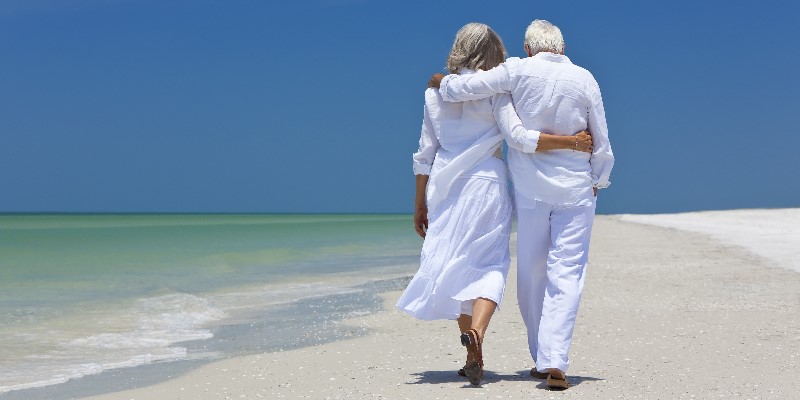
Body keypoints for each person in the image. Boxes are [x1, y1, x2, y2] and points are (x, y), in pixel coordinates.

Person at [396, 22, 594, 387]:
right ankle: (479, 334)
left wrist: (419, 203)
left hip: (444, 187)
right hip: (487, 183)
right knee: (488, 264)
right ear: (495, 53)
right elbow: (518, 137)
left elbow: (424, 155)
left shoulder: (433, 96)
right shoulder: (500, 94)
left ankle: (471, 347)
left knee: (456, 263)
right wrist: (571, 143)